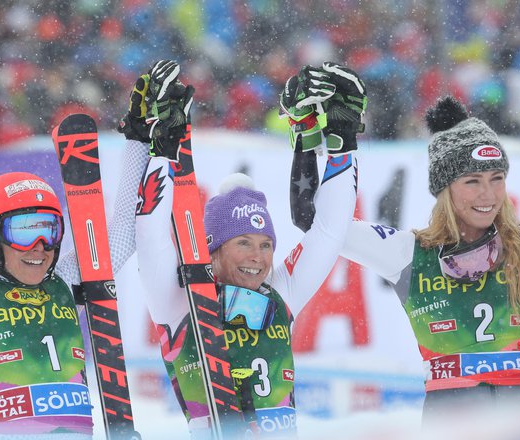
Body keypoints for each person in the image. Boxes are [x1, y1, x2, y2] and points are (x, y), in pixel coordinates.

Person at [290, 96, 520, 424]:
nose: (489, 194)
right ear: (444, 190)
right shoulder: (407, 252)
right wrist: (315, 133)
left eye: (497, 178)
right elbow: (313, 218)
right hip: (451, 422)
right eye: (472, 181)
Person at [117, 60, 365, 439]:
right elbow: (149, 235)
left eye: (266, 245)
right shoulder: (178, 300)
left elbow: (329, 231)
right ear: (213, 251)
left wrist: (343, 138)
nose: (258, 257)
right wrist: (162, 151)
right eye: (243, 244)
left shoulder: (279, 293)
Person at [0, 83, 151, 437]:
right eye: (25, 231)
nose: (40, 246)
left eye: (50, 230)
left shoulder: (65, 282)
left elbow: (123, 236)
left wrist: (138, 139)